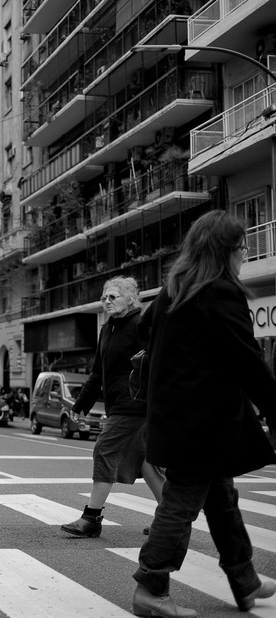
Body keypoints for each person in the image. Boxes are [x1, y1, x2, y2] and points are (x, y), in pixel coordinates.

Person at [131, 211, 276, 618]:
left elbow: (146, 332)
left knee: (222, 500)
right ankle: (151, 586)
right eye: (242, 248)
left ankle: (244, 580)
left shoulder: (173, 290)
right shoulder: (219, 293)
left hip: (177, 419)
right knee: (180, 504)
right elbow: (249, 363)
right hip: (204, 424)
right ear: (226, 251)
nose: (245, 255)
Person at [61, 277, 164, 538]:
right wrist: (82, 402)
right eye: (104, 297)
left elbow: (158, 363)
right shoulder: (107, 329)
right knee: (144, 462)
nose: (107, 301)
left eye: (113, 296)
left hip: (136, 404)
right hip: (119, 403)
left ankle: (90, 518)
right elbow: (98, 372)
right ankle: (170, 519)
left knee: (104, 449)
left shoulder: (141, 326)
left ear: (130, 298)